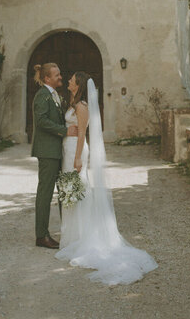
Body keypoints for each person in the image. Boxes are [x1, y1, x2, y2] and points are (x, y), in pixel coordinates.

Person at [55, 72, 158, 285]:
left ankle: (81, 236)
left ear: (79, 85)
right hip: (68, 147)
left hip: (76, 150)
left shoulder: (82, 106)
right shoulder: (73, 103)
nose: (68, 81)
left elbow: (83, 133)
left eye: (72, 79)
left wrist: (77, 158)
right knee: (70, 191)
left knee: (79, 189)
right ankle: (72, 235)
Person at [31, 63, 78, 249]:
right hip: (47, 151)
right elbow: (41, 121)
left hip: (57, 151)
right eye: (57, 75)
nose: (60, 77)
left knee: (63, 192)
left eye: (60, 74)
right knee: (45, 193)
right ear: (47, 78)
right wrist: (65, 130)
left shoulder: (55, 95)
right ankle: (41, 236)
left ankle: (68, 231)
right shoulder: (42, 96)